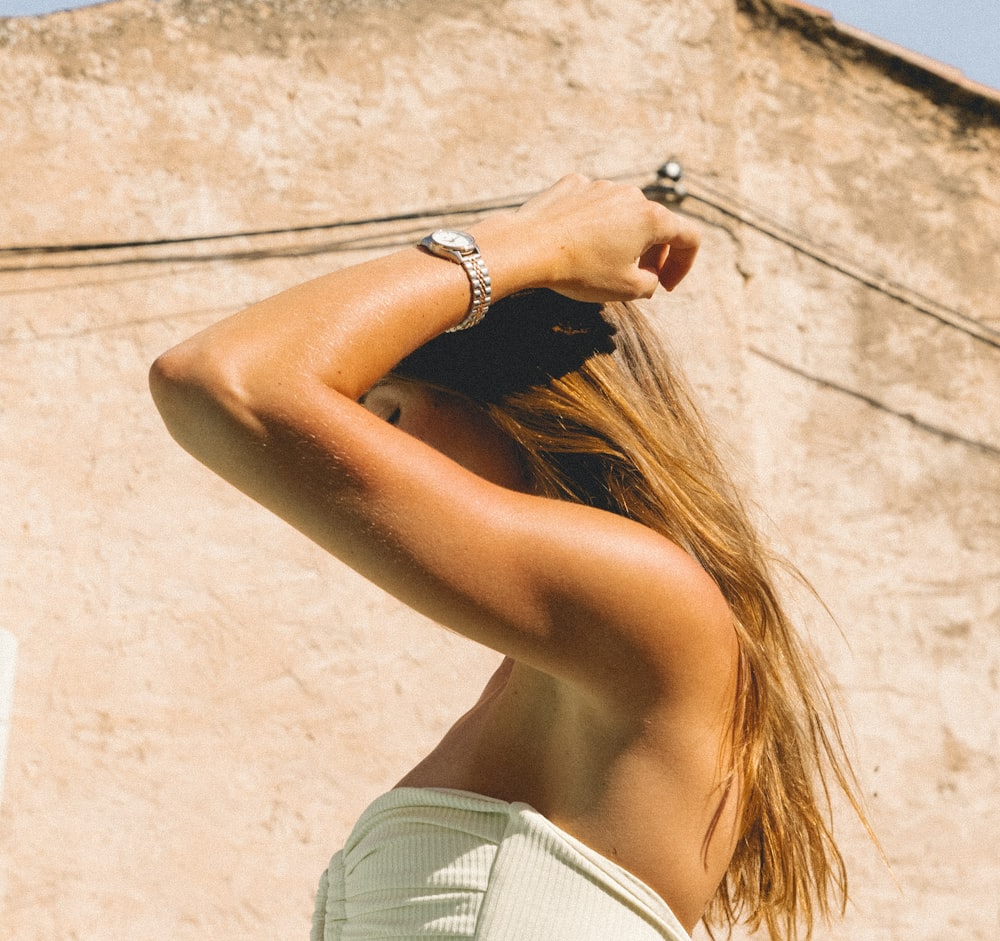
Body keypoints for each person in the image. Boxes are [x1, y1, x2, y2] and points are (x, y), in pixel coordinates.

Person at [150, 175, 870, 940]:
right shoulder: (560, 672)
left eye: (385, 412)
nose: (362, 453)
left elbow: (220, 380)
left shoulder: (644, 593)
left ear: (526, 412)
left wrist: (536, 243)